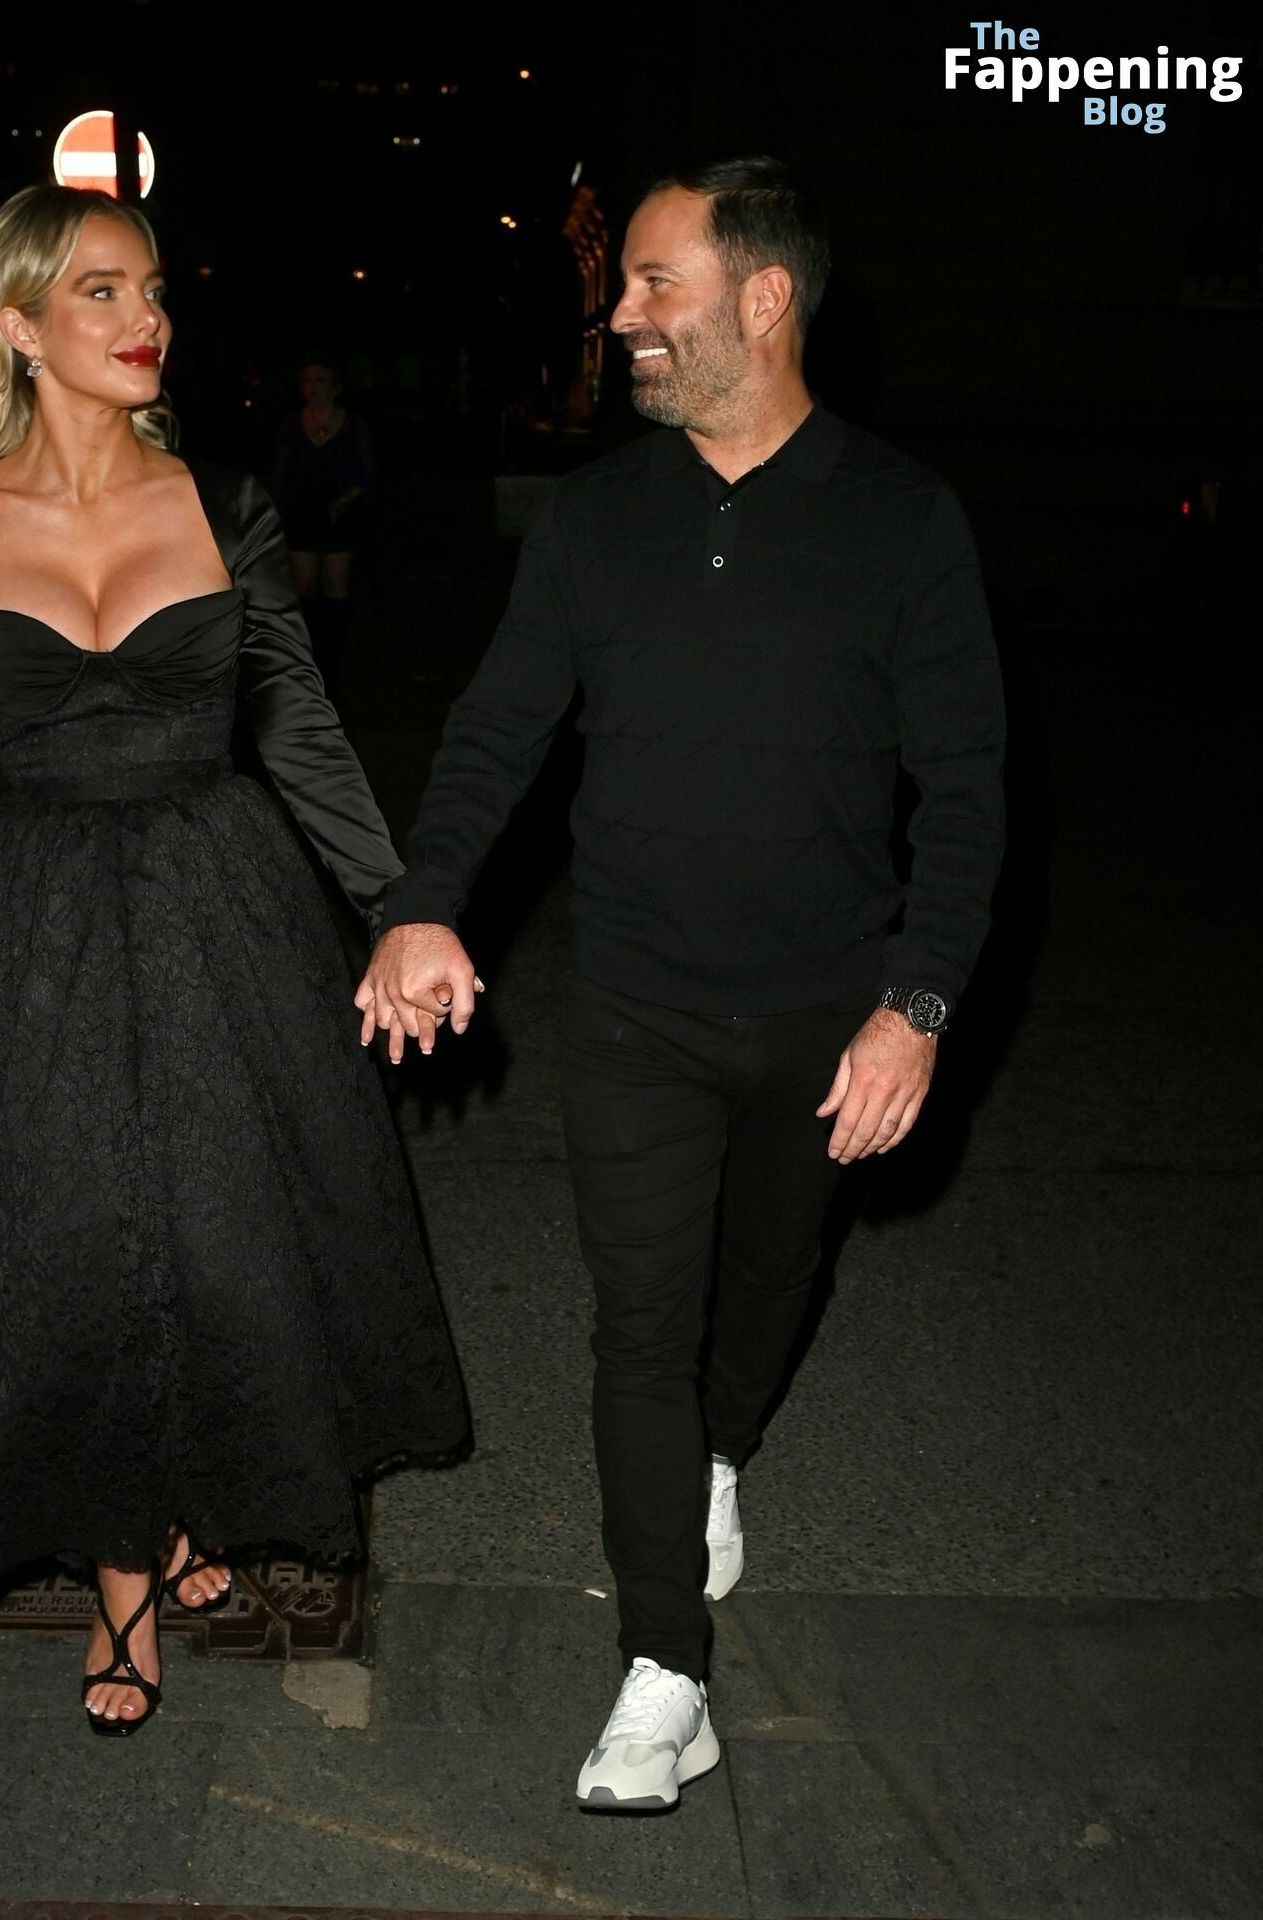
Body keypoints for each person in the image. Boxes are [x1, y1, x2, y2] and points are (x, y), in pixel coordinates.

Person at [357, 157, 1005, 1809]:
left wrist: (915, 1007)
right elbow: (498, 731)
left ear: (761, 298)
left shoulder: (900, 521)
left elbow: (968, 792)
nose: (621, 314)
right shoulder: (595, 519)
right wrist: (423, 906)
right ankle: (665, 1668)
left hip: (824, 1017)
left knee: (770, 1277)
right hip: (636, 1008)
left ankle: (722, 1449)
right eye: (626, 286)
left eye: (655, 283)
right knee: (636, 1323)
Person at [0, 185, 468, 1737]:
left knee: (217, 1229)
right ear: (19, 325)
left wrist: (401, 906)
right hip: (35, 924)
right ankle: (121, 1573)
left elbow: (298, 725)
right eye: (102, 290)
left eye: (152, 288)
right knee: (80, 1246)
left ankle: (194, 1490)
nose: (146, 317)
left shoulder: (224, 500)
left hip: (221, 901)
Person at [269, 359, 377, 705]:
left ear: (335, 386)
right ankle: (308, 656)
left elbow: (367, 473)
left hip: (339, 517)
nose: (312, 387)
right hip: (302, 516)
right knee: (305, 588)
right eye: (307, 380)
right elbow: (281, 476)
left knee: (336, 587)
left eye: (320, 380)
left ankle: (332, 661)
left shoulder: (353, 424)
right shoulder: (292, 424)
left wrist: (347, 499)